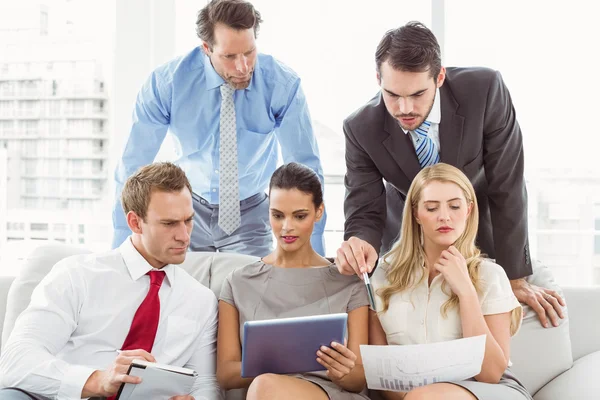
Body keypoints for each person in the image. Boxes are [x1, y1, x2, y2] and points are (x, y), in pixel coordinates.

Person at [337, 21, 565, 328]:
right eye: (392, 94)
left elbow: (506, 185)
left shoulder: (485, 91)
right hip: (408, 247)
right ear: (378, 78)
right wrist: (360, 241)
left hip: (479, 235)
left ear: (439, 76)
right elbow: (364, 208)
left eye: (418, 94)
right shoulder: (360, 127)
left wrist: (515, 277)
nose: (404, 108)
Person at [112, 0, 326, 257]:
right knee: (180, 292)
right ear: (206, 48)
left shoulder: (281, 84)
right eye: (230, 56)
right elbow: (133, 165)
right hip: (185, 211)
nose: (243, 66)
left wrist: (315, 256)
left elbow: (307, 171)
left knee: (249, 292)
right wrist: (120, 251)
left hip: (250, 214)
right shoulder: (167, 84)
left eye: (249, 52)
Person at [0, 163, 221, 400]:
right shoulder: (77, 275)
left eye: (188, 220)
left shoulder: (201, 300)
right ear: (135, 222)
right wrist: (97, 380)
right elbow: (16, 361)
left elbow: (204, 382)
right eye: (169, 223)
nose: (184, 236)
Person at [369, 163, 532, 400]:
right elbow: (380, 374)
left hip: (487, 390)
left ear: (468, 210)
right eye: (432, 208)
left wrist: (466, 292)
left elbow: (491, 373)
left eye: (455, 206)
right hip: (410, 395)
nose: (444, 216)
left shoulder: (490, 275)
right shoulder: (383, 275)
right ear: (416, 213)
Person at [216, 162, 369, 399]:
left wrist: (342, 370)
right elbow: (226, 374)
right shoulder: (238, 282)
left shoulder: (348, 282)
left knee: (264, 387)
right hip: (264, 392)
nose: (287, 227)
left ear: (319, 212)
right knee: (265, 386)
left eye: (299, 216)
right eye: (277, 215)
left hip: (329, 394)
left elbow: (358, 379)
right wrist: (281, 361)